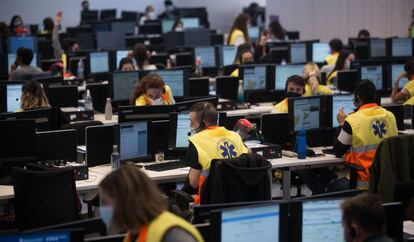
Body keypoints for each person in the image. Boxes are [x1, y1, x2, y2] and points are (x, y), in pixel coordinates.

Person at [99, 165, 204, 242]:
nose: (102, 209)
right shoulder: (134, 232)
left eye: (105, 203)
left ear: (125, 202)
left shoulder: (172, 234)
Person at [333, 80, 398, 190]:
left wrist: (341, 124)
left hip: (362, 182)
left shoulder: (352, 120)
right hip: (387, 181)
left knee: (331, 188)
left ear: (357, 98)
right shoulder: (390, 116)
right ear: (374, 96)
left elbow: (338, 151)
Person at [182, 102, 249, 204]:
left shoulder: (196, 140)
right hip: (241, 198)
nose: (190, 125)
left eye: (192, 122)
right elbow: (249, 157)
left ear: (203, 123)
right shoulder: (235, 136)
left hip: (209, 201)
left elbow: (193, 184)